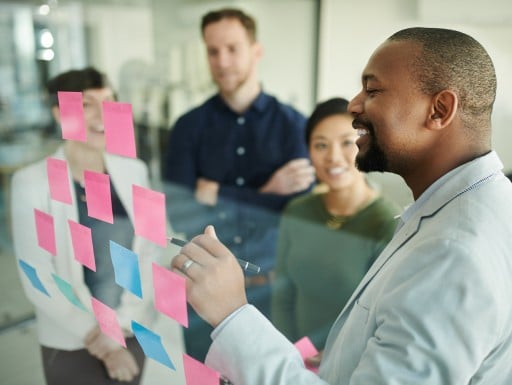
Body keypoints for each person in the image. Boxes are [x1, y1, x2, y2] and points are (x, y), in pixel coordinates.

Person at [171, 27, 512, 384]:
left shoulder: (454, 253)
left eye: (373, 89)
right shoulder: (457, 212)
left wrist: (231, 314)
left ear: (439, 109)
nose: (353, 104)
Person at [163, 7, 315, 361]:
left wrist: (216, 192)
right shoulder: (188, 127)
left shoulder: (295, 126)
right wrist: (267, 193)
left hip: (274, 294)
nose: (222, 61)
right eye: (213, 51)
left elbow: (298, 211)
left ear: (256, 51)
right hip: (202, 291)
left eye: (232, 48)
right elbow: (180, 212)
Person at [11, 67, 164, 384]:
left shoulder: (135, 171)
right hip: (73, 340)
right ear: (59, 113)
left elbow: (150, 253)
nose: (103, 113)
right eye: (86, 104)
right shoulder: (31, 183)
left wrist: (122, 326)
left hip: (130, 331)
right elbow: (37, 275)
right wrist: (101, 340)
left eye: (108, 100)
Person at [271, 97, 400, 351]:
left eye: (346, 143)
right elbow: (283, 295)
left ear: (366, 144)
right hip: (296, 364)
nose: (333, 157)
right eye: (321, 145)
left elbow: (386, 322)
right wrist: (289, 354)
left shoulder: (387, 223)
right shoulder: (297, 211)